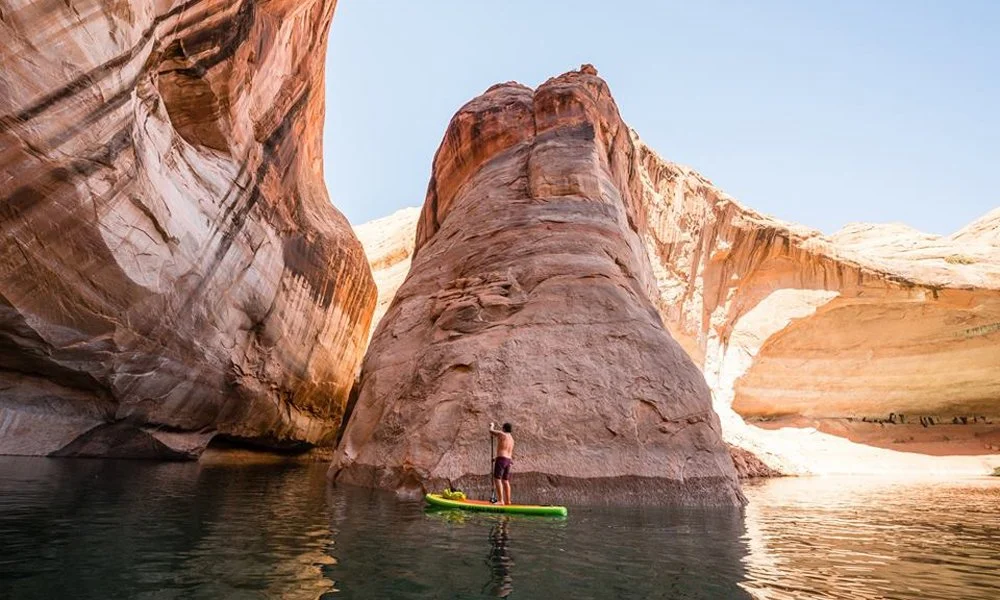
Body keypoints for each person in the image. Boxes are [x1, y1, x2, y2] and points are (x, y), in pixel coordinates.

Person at [489, 422, 514, 505]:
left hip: (502, 459)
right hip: (508, 460)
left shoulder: (502, 434)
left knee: (497, 479)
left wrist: (492, 425)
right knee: (505, 480)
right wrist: (496, 458)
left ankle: (501, 500)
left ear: (504, 429)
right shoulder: (512, 439)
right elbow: (505, 451)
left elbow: (491, 431)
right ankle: (508, 501)